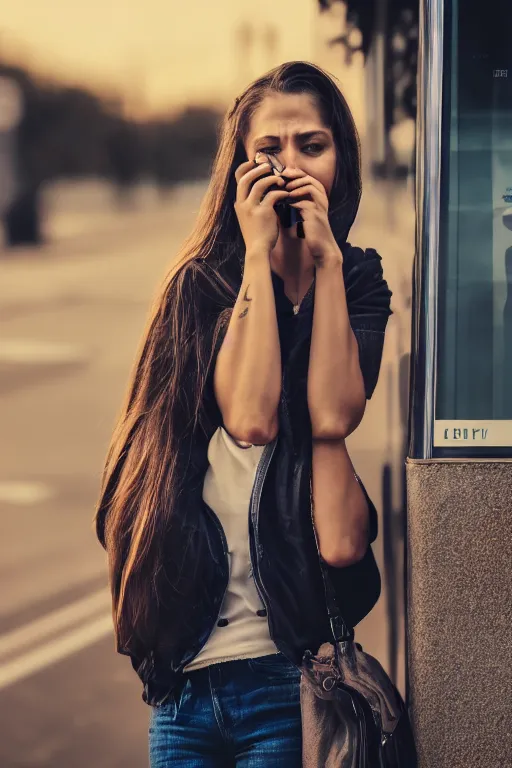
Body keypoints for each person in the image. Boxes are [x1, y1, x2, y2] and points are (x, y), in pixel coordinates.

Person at [94, 61, 392, 767]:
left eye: (311, 146)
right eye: (270, 149)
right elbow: (251, 416)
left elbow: (332, 415)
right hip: (188, 677)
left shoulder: (357, 277)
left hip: (286, 675)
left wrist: (323, 266)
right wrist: (257, 254)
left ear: (341, 160)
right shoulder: (199, 285)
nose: (290, 166)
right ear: (238, 167)